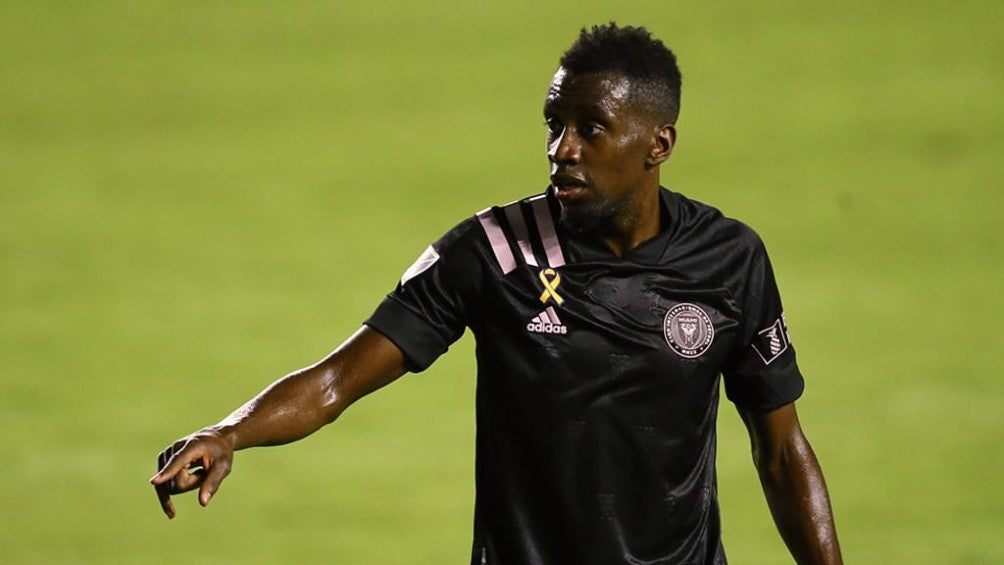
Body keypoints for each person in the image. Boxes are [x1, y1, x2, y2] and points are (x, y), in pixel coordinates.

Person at [152, 23, 843, 564]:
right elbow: (336, 381)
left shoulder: (728, 261)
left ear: (657, 144)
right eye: (553, 124)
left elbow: (781, 450)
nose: (561, 149)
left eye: (590, 128)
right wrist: (230, 431)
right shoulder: (494, 251)